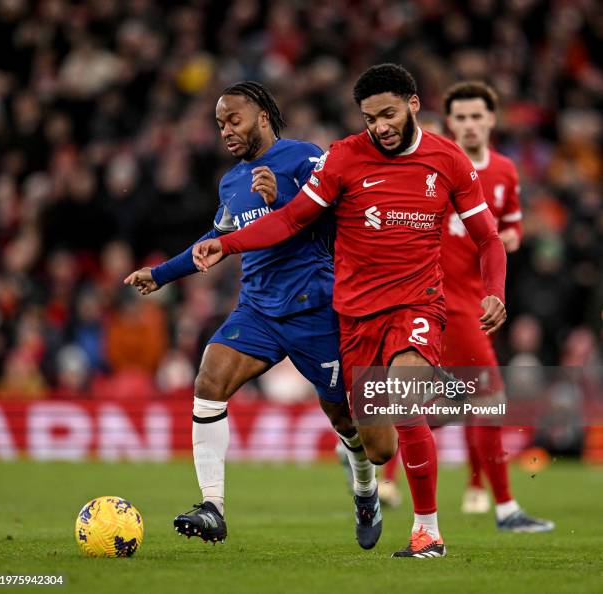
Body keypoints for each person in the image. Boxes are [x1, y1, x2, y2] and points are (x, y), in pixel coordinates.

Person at [193, 64, 508, 558]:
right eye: (369, 117)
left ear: (413, 104)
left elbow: (488, 237)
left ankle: (427, 533)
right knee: (380, 447)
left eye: (388, 114)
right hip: (356, 316)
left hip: (417, 303)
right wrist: (227, 244)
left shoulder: (448, 160)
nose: (379, 126)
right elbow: (293, 220)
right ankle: (437, 403)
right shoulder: (342, 157)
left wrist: (495, 291)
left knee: (403, 400)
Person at [124, 82, 381, 549]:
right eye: (220, 123)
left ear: (262, 116)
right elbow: (218, 238)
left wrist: (283, 196)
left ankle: (365, 490)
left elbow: (340, 220)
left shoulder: (305, 158)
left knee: (343, 417)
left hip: (316, 310)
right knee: (208, 382)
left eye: (234, 120)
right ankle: (212, 507)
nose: (226, 130)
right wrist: (161, 275)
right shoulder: (232, 181)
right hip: (258, 309)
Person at [441, 81, 554, 532]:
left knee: (458, 402)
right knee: (488, 398)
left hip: (479, 300)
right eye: (461, 117)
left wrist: (505, 240)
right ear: (450, 123)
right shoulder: (438, 167)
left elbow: (513, 228)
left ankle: (367, 444)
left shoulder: (505, 171)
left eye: (477, 116)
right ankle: (506, 509)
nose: (469, 125)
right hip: (442, 300)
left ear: (491, 119)